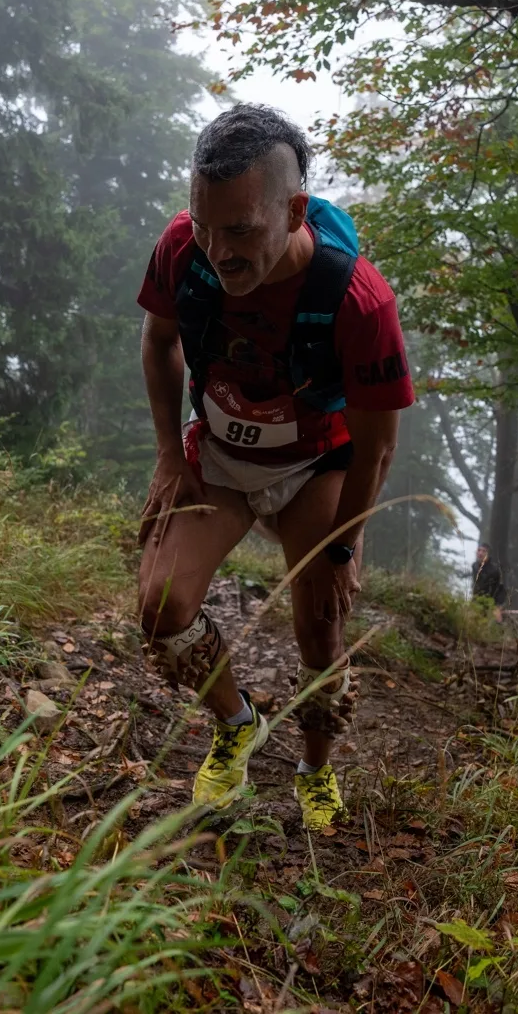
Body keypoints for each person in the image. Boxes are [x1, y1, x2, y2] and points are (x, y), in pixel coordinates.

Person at [136, 104, 414, 833]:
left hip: (317, 466)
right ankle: (238, 724)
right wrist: (168, 455)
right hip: (219, 457)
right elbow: (159, 340)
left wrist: (343, 547)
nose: (218, 252)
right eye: (205, 226)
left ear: (293, 211)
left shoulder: (359, 300)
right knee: (161, 607)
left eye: (240, 230)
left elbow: (377, 447)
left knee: (321, 630)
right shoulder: (181, 249)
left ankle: (314, 769)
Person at [472, 543, 507, 620]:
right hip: (477, 602)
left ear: (488, 554)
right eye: (479, 550)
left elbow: (501, 589)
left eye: (484, 551)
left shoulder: (495, 570)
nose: (480, 553)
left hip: (491, 603)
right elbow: (476, 586)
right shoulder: (474, 566)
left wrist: (498, 606)